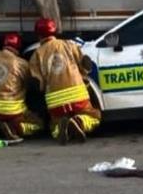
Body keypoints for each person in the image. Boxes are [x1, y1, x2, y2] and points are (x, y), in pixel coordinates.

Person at [29, 17, 101, 145]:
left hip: (54, 100)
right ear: (55, 30)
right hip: (77, 95)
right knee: (94, 116)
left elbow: (38, 83)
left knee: (54, 127)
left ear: (38, 35)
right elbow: (85, 67)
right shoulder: (69, 45)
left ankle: (62, 128)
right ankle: (79, 122)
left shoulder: (36, 54)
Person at [0, 33, 44, 140]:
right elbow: (30, 83)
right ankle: (17, 128)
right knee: (39, 124)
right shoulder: (22, 64)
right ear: (18, 48)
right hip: (11, 110)